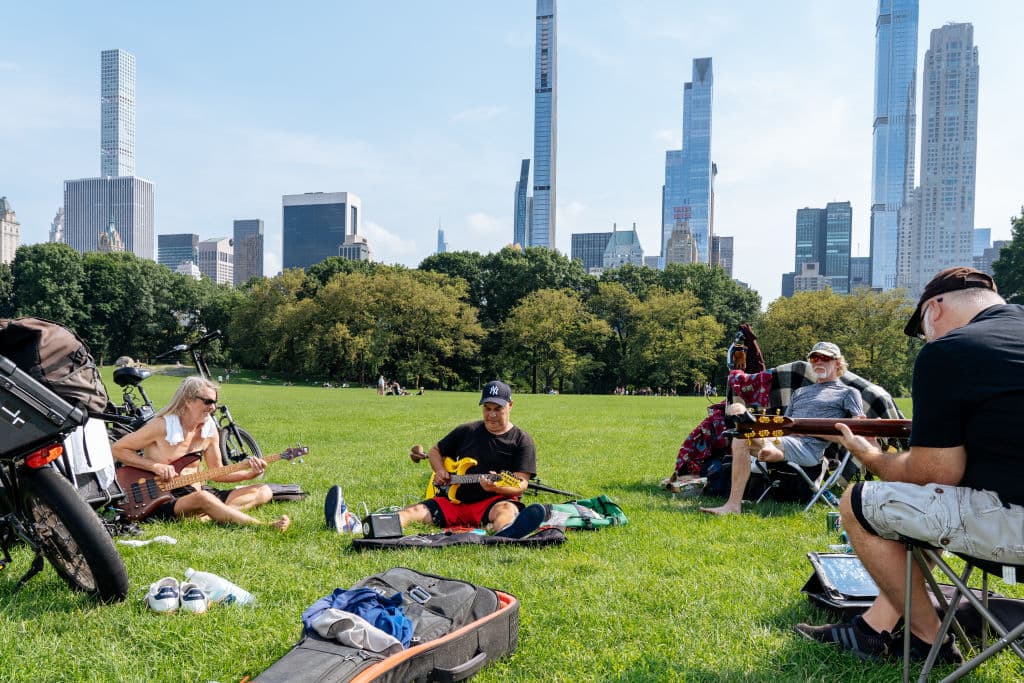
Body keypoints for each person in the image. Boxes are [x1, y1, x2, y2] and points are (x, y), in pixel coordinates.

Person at [796, 267, 1020, 663]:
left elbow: (933, 473)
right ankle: (874, 626)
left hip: (1014, 527)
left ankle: (930, 640)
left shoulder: (950, 351)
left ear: (934, 310)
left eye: (922, 331)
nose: (927, 339)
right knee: (937, 502)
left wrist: (871, 457)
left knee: (858, 500)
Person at [701, 341, 864, 516]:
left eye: (824, 358)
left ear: (837, 363)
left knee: (745, 434)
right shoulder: (800, 393)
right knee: (740, 430)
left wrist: (814, 430)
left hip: (810, 449)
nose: (818, 361)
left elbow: (857, 429)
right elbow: (782, 424)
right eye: (814, 358)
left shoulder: (848, 393)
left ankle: (769, 448)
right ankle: (733, 505)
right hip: (786, 439)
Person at [111, 376, 290, 531]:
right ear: (188, 400)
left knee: (263, 491)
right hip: (163, 498)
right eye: (208, 401)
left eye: (215, 402)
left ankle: (213, 515)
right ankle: (263, 526)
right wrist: (155, 466)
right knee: (203, 497)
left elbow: (217, 473)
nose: (213, 407)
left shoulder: (209, 431)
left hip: (197, 491)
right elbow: (118, 449)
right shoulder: (162, 426)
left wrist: (250, 474)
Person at [396, 380, 546, 538]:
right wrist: (440, 471)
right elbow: (435, 451)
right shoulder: (467, 430)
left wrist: (496, 488)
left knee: (506, 511)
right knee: (413, 511)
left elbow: (521, 484)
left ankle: (506, 533)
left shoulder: (522, 440)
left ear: (510, 405)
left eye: (498, 409)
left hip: (493, 503)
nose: (492, 415)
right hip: (453, 502)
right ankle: (383, 525)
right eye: (487, 408)